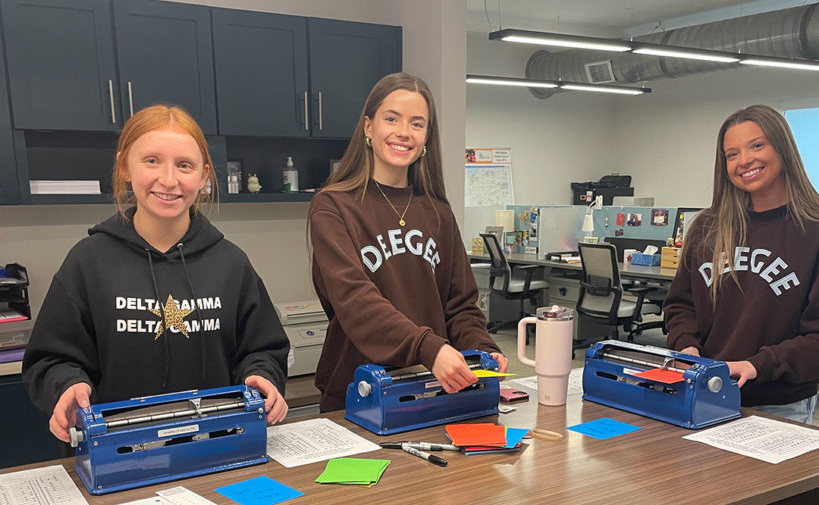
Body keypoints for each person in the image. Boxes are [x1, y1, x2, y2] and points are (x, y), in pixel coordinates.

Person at [23, 104, 289, 442]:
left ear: (204, 176)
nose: (168, 179)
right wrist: (67, 386)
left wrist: (262, 376)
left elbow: (263, 350)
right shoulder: (87, 262)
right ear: (124, 167)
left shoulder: (231, 263)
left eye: (184, 165)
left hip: (219, 449)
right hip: (116, 455)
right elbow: (49, 359)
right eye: (151, 161)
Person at [308, 72, 509, 411]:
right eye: (392, 119)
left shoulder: (437, 211)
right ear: (368, 127)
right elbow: (355, 301)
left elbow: (459, 303)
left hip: (432, 388)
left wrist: (482, 346)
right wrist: (429, 348)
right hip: (357, 395)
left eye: (417, 124)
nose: (404, 132)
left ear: (427, 136)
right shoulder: (332, 207)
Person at [664, 104, 819, 423]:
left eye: (757, 145)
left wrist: (758, 365)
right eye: (731, 154)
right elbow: (681, 305)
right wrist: (686, 346)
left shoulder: (813, 228)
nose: (744, 160)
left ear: (783, 148)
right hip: (704, 389)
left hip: (778, 402)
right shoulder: (709, 226)